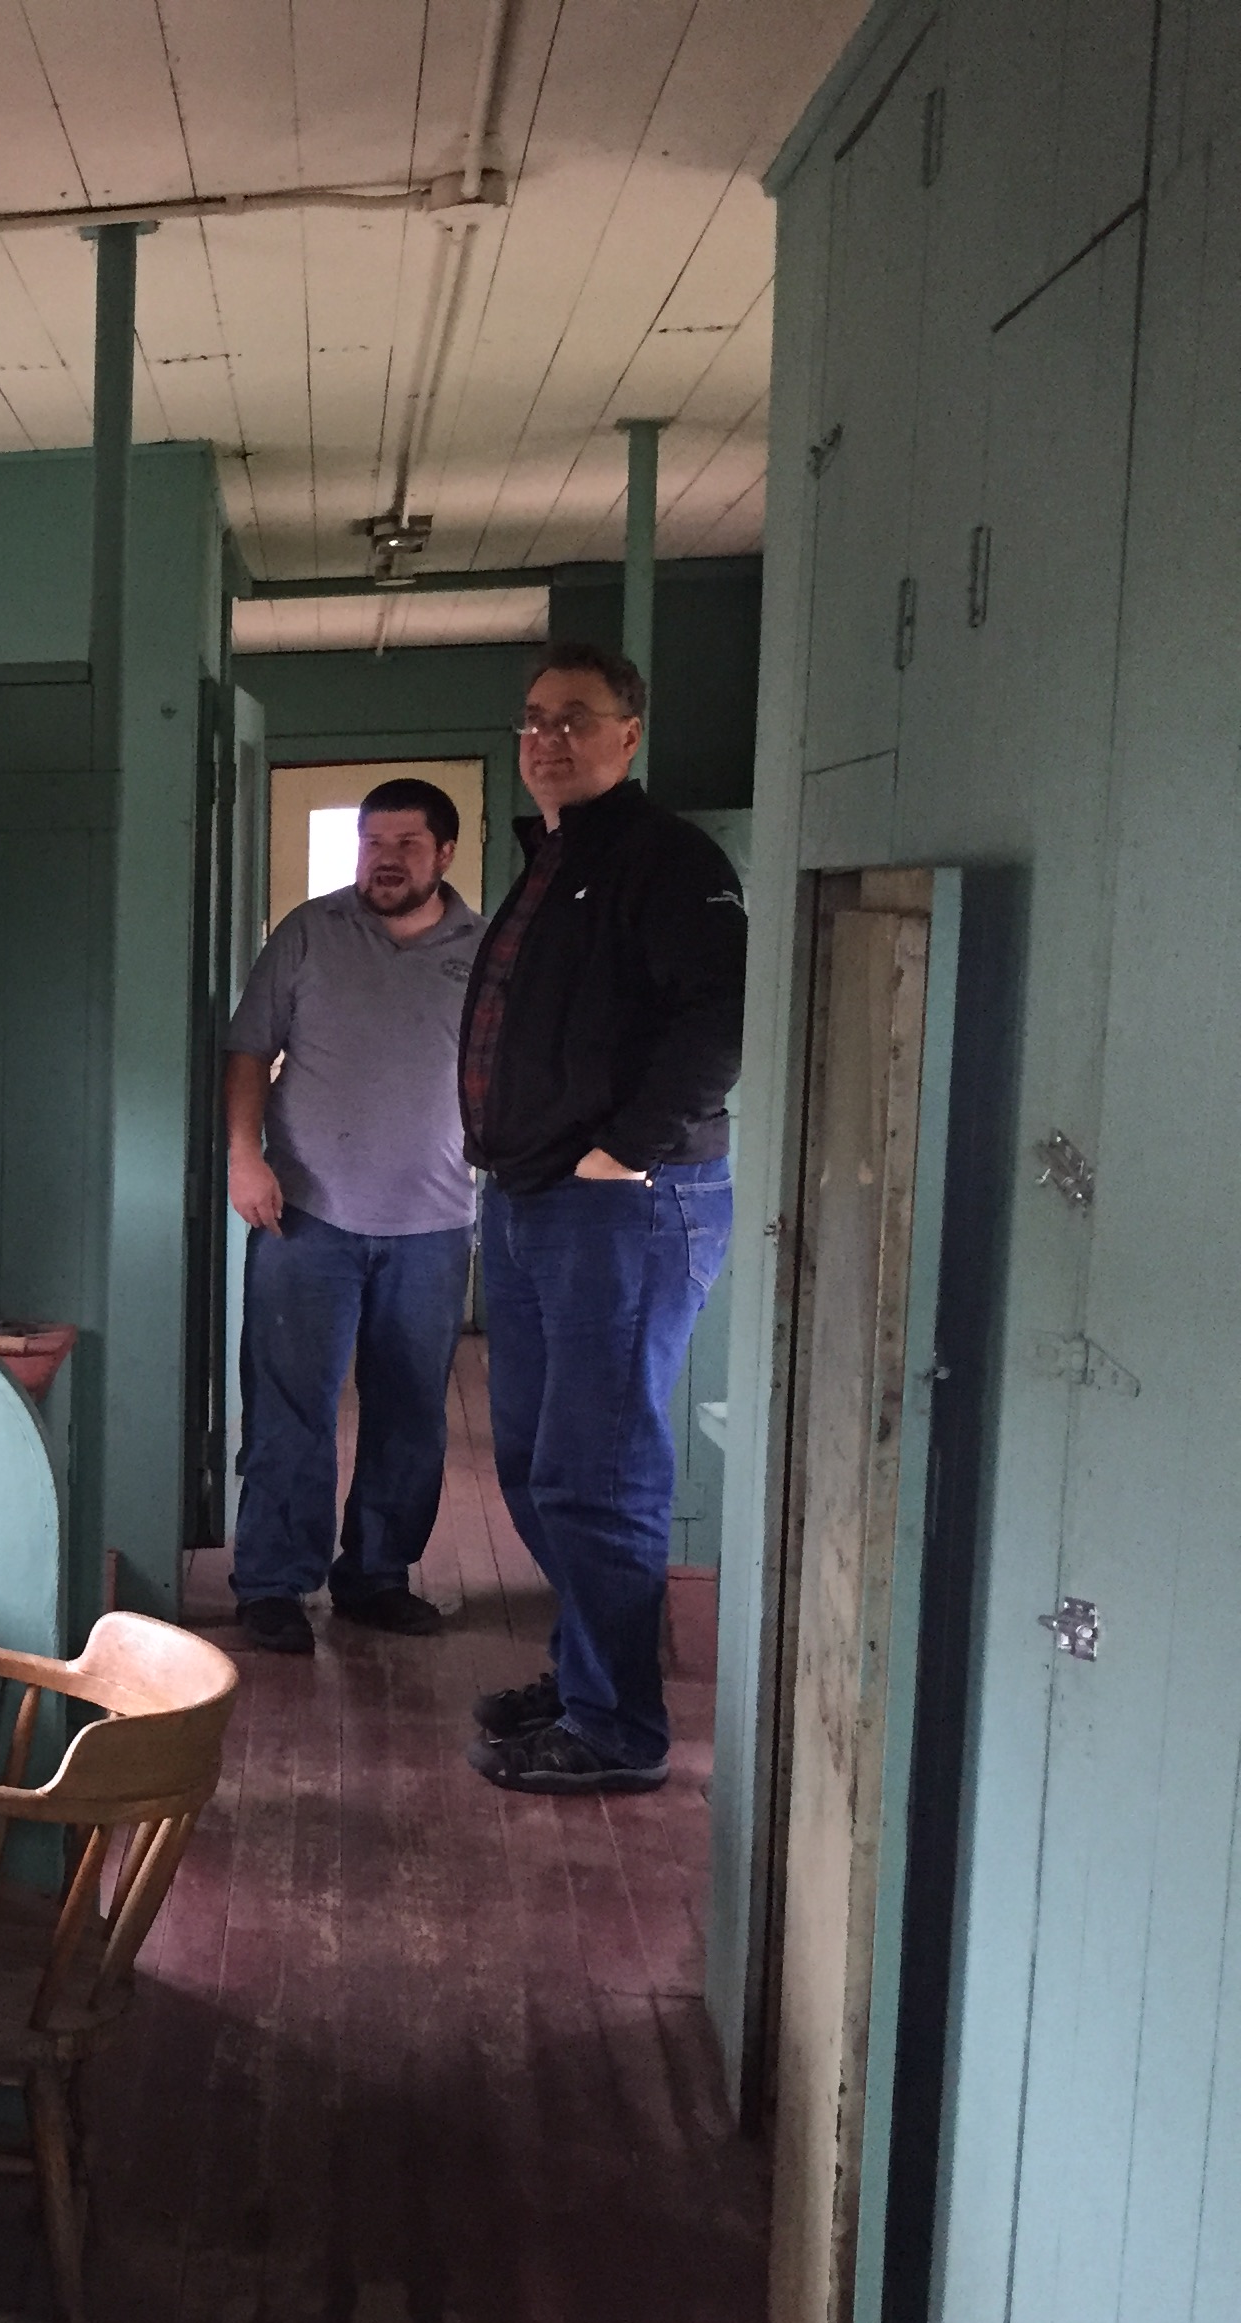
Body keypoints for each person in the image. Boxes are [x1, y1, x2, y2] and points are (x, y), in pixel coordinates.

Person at [460, 642, 745, 1795]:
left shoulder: (667, 859)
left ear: (630, 734)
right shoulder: (558, 859)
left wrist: (623, 1153)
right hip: (536, 1196)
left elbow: (719, 1017)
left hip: (624, 1203)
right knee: (535, 1464)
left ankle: (619, 1729)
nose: (548, 740)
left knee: (599, 1470)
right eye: (534, 721)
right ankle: (590, 1673)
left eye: (575, 720)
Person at [222, 778, 485, 1656]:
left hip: (434, 1224)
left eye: (407, 844)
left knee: (410, 1410)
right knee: (290, 1407)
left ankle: (376, 1576)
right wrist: (244, 1156)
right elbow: (248, 1049)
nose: (386, 859)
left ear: (444, 853)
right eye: (374, 842)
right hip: (307, 1218)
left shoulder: (485, 949)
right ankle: (272, 1583)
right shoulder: (309, 932)